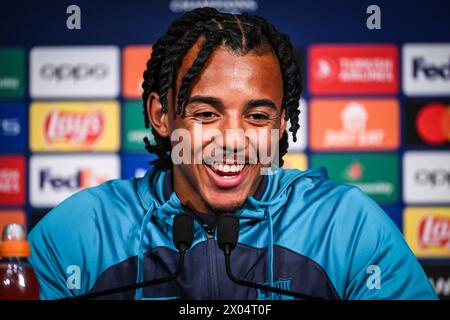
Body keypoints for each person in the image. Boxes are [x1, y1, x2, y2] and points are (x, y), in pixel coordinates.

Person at [29, 7, 437, 300]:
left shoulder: (347, 225)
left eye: (257, 116)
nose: (234, 139)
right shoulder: (78, 233)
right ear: (161, 116)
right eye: (206, 113)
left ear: (281, 125)